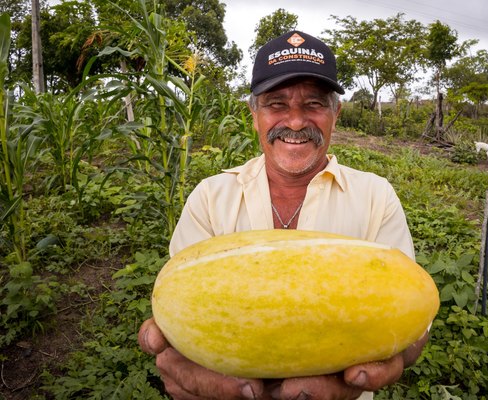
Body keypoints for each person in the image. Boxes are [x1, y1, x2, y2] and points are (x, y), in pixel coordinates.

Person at [138, 30, 429, 400]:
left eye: (313, 104)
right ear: (254, 113)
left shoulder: (375, 196)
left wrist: (403, 354)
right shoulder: (211, 197)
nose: (295, 122)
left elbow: (411, 316)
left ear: (335, 114)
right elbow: (178, 317)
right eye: (276, 104)